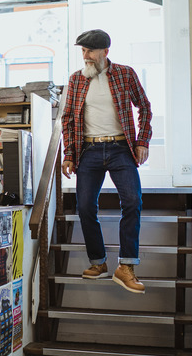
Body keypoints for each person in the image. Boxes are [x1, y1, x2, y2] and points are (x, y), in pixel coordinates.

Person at [61, 29, 152, 294]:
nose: (85, 56)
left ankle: (126, 267)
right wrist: (68, 154)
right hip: (88, 150)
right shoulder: (76, 80)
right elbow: (67, 119)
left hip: (120, 147)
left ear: (105, 52)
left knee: (133, 201)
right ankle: (98, 262)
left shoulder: (125, 74)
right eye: (82, 51)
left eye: (89, 51)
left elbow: (144, 106)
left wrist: (142, 140)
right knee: (86, 206)